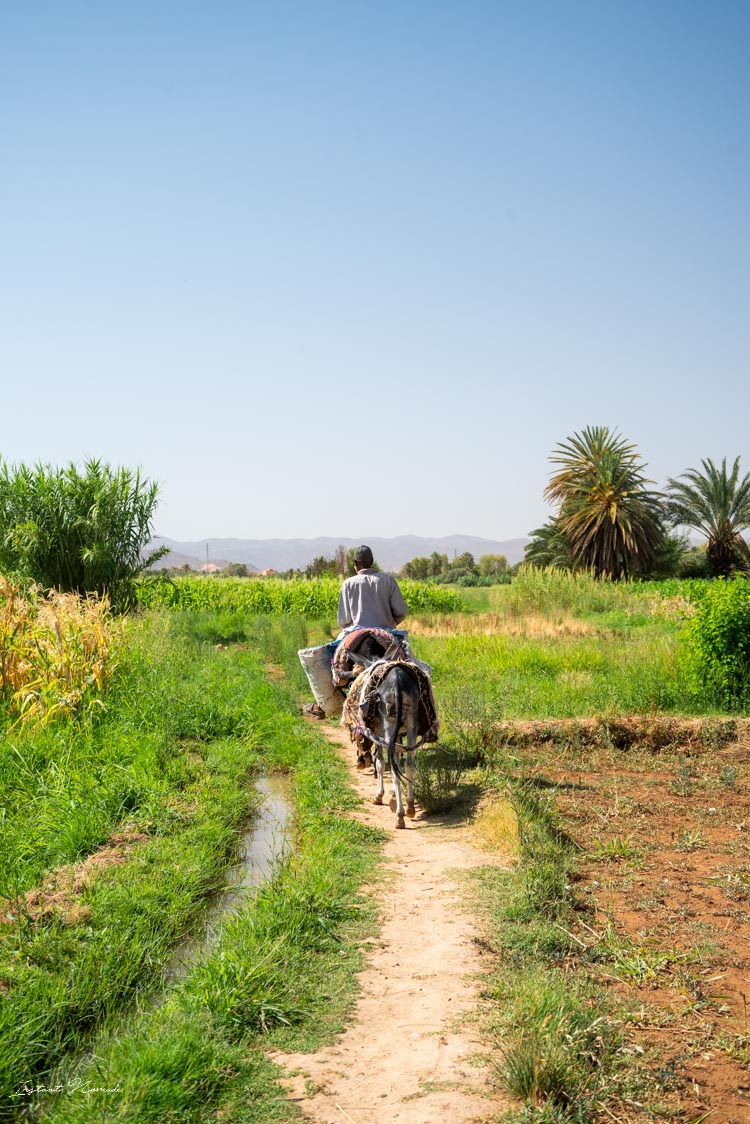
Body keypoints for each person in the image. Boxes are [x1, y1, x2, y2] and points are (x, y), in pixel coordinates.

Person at [301, 545, 409, 718]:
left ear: (355, 564)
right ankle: (415, 698)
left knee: (329, 659)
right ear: (372, 561)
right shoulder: (388, 580)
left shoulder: (349, 583)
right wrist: (389, 623)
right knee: (410, 663)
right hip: (386, 631)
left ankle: (326, 704)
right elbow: (401, 610)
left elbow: (343, 620)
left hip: (355, 632)